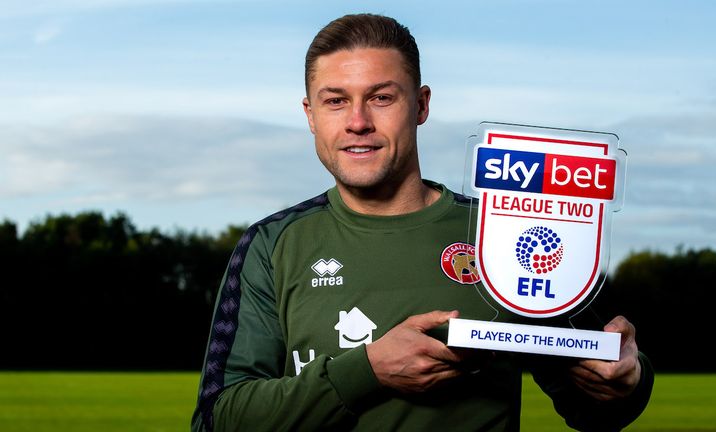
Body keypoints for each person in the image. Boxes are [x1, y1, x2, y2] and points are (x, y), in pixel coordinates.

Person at [192, 13, 653, 432]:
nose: (357, 122)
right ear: (311, 116)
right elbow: (218, 419)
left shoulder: (503, 231)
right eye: (335, 101)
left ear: (421, 105)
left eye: (381, 98)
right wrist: (366, 371)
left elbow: (596, 404)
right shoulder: (272, 244)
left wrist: (624, 379)